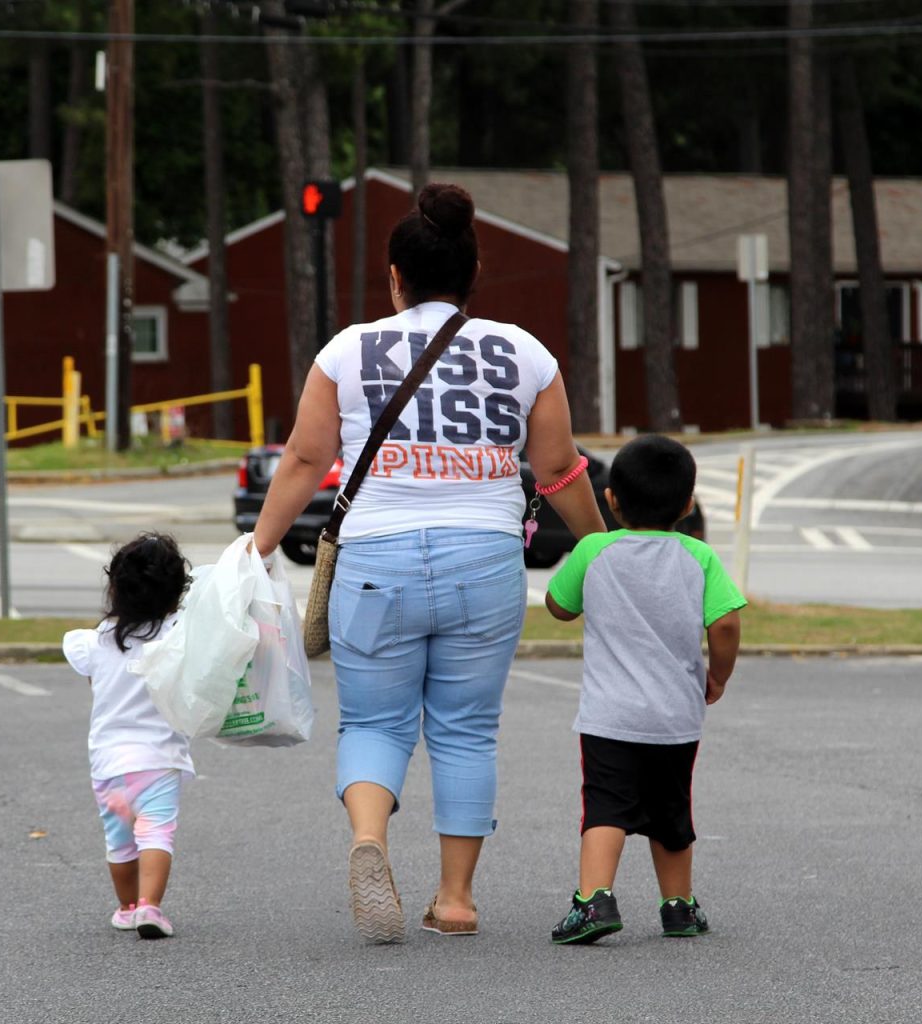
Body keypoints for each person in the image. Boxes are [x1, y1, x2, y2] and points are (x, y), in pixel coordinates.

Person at [252, 182, 607, 943]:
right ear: (473, 275)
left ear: (394, 276)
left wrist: (255, 547)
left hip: (377, 559)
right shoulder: (526, 353)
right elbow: (558, 470)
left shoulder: (347, 350)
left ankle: (368, 839)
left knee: (375, 722)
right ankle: (455, 899)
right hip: (484, 558)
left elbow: (307, 457)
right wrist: (605, 544)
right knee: (467, 731)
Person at [543, 434, 745, 944]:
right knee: (672, 811)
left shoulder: (595, 550)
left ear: (611, 499)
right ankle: (677, 906)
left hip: (609, 715)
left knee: (606, 807)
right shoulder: (699, 557)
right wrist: (717, 674)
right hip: (676, 717)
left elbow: (557, 605)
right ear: (686, 504)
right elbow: (724, 624)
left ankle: (594, 901)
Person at [63, 533, 194, 940]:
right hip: (159, 759)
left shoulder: (96, 641)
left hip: (109, 766)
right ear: (176, 592)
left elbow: (94, 683)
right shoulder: (178, 635)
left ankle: (126, 907)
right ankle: (151, 907)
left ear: (115, 588)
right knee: (156, 833)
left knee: (120, 841)